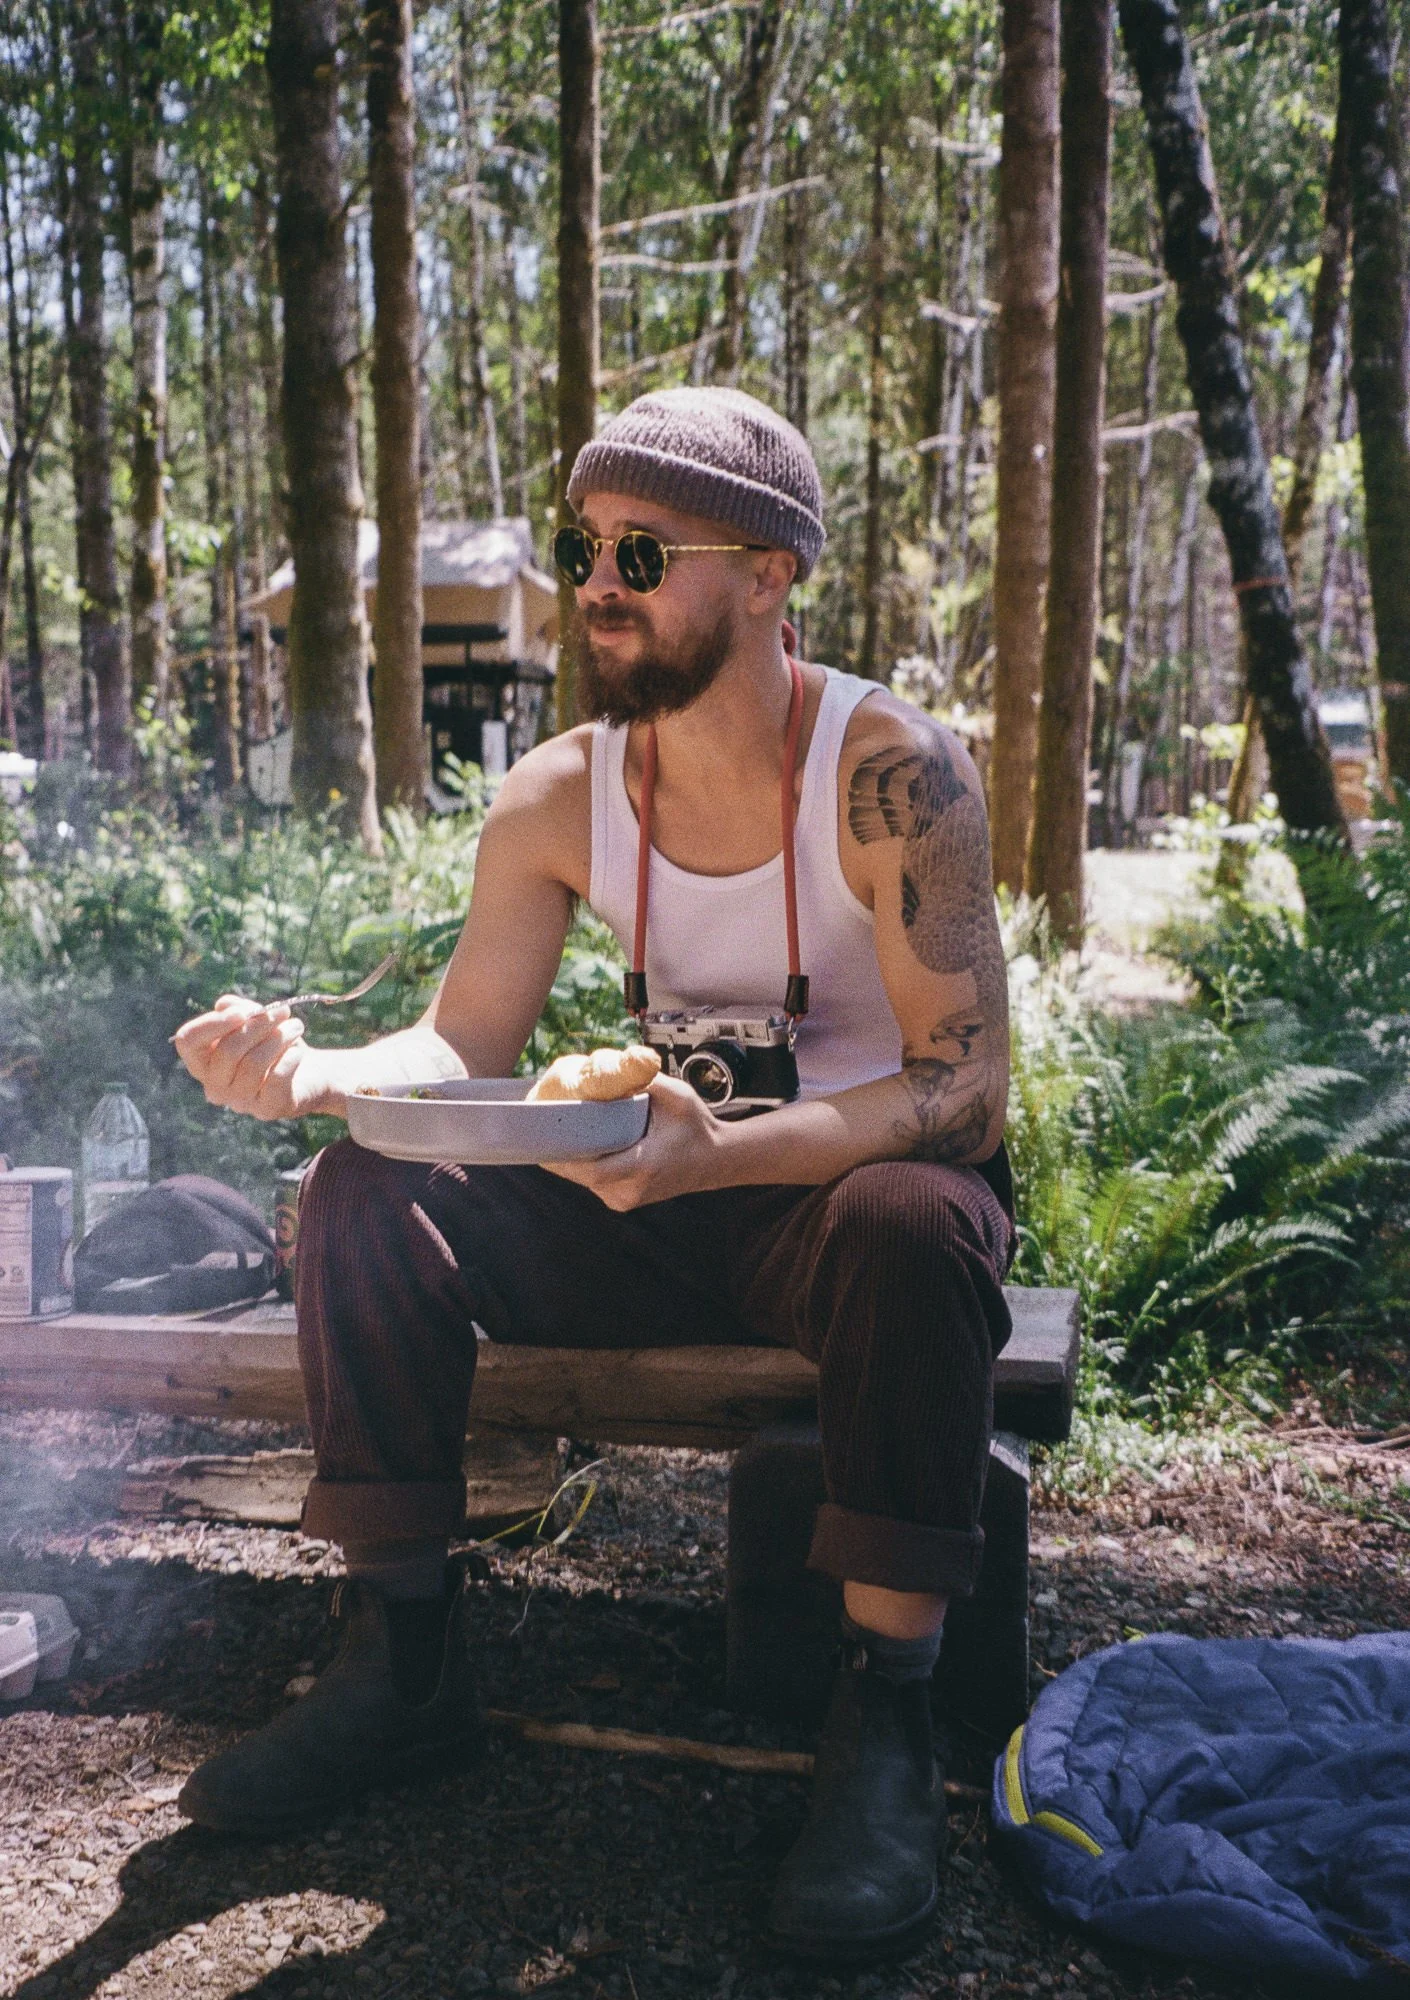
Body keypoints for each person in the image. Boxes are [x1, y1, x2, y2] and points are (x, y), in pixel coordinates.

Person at [173, 386, 1015, 1964]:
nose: (597, 582)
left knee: (918, 1222)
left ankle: (886, 1716)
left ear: (768, 574)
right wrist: (309, 1080)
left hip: (830, 1201)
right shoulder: (559, 790)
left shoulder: (889, 770)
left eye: (641, 547)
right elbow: (457, 1044)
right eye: (581, 547)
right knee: (365, 1189)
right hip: (642, 1186)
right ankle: (401, 1661)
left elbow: (962, 1086)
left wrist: (732, 1158)